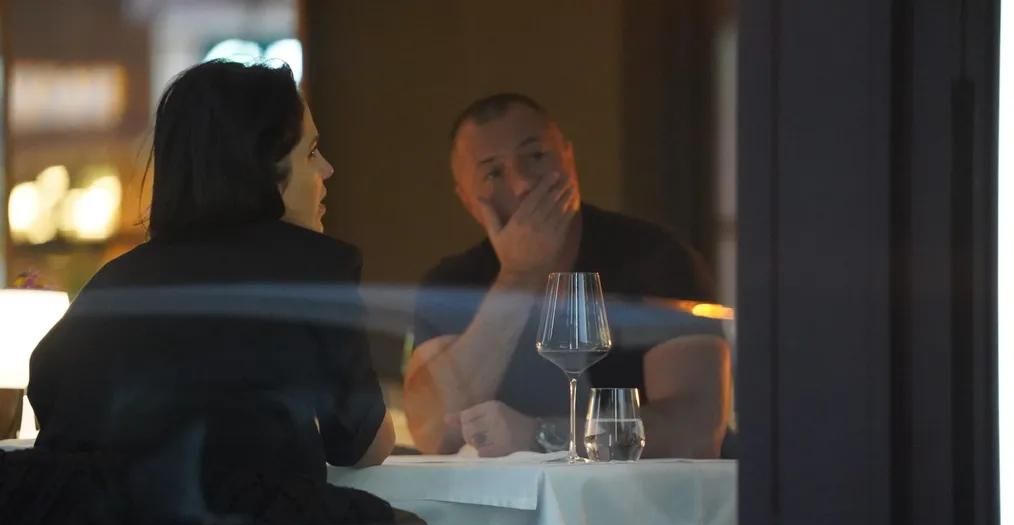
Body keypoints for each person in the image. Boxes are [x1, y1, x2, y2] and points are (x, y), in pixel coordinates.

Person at [26, 59, 395, 500]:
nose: (328, 170)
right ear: (261, 166)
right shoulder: (315, 270)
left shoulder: (113, 285)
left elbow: (50, 397)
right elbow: (363, 445)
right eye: (311, 153)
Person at [404, 92, 731, 459]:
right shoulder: (453, 283)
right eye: (493, 173)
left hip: (645, 493)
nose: (523, 184)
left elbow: (696, 431)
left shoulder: (656, 257)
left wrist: (544, 436)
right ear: (467, 199)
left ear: (569, 158)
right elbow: (434, 434)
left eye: (536, 156)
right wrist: (518, 277)